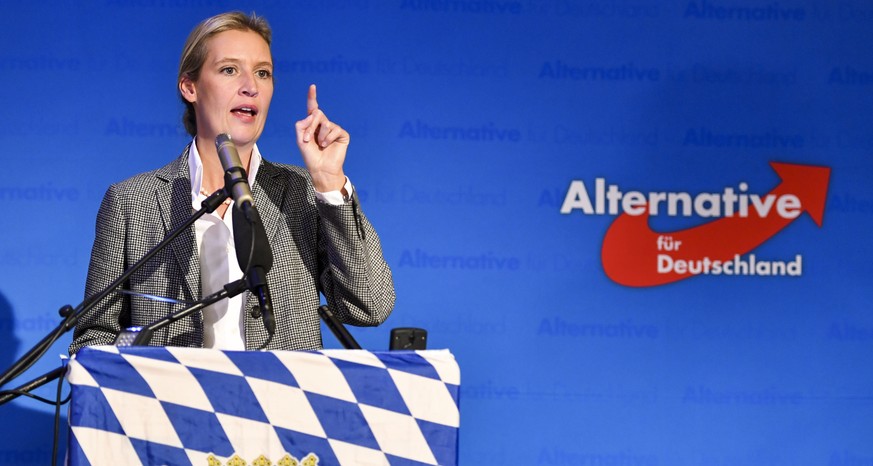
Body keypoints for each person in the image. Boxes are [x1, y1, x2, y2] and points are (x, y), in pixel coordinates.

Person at [69, 11, 395, 353]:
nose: (251, 86)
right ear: (190, 87)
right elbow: (95, 339)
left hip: (280, 403)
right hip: (175, 403)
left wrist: (329, 183)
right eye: (229, 69)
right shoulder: (131, 202)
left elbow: (369, 305)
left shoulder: (303, 193)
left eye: (263, 73)